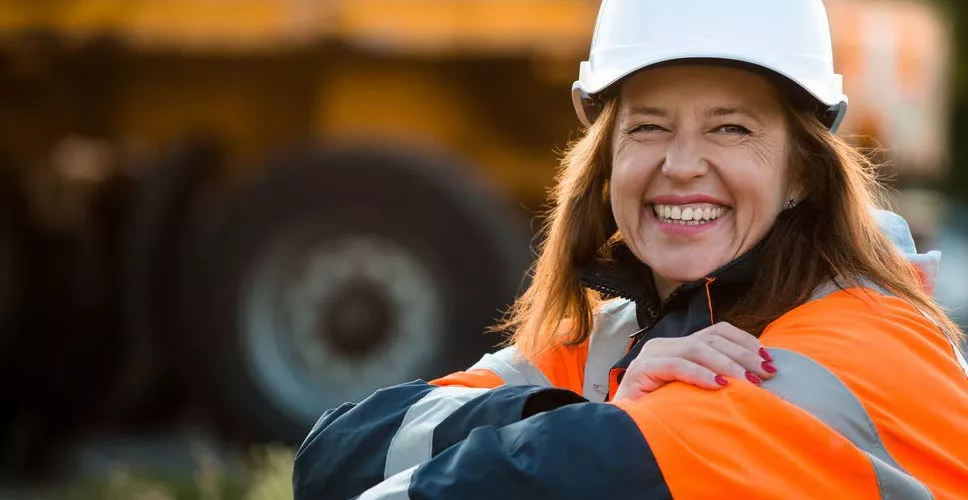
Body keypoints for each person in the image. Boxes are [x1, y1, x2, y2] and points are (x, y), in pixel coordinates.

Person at [293, 0, 968, 498]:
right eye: (648, 126)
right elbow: (333, 454)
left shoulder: (865, 347)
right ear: (609, 156)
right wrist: (586, 408)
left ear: (801, 172)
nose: (680, 164)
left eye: (730, 128)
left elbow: (562, 474)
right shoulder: (615, 343)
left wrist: (600, 421)